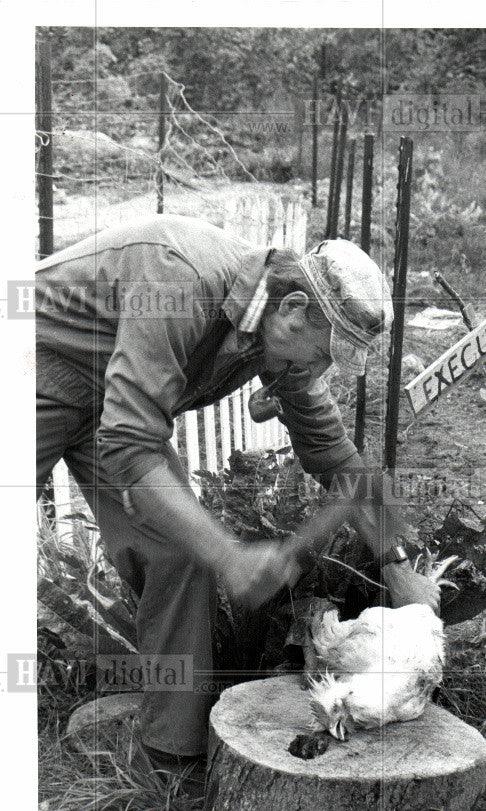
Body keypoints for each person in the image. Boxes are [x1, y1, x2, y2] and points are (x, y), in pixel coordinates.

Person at [36, 214, 438, 775]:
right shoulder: (179, 279)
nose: (319, 370)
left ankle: (171, 762)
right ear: (294, 308)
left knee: (180, 551)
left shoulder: (280, 332)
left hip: (114, 401)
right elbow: (131, 443)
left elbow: (331, 452)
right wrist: (231, 555)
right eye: (323, 353)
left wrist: (396, 559)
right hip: (37, 365)